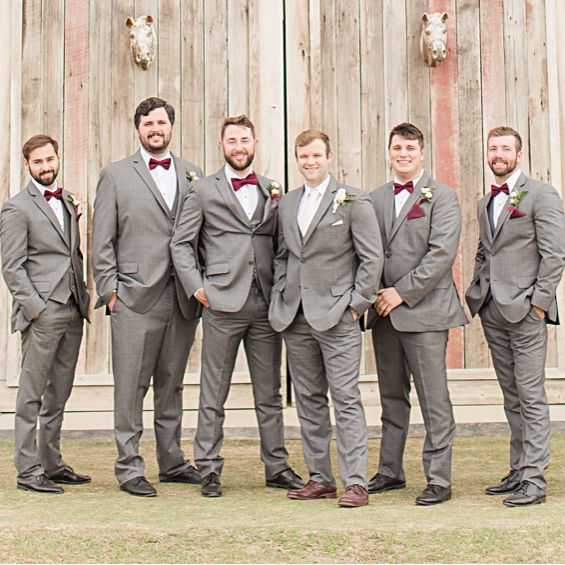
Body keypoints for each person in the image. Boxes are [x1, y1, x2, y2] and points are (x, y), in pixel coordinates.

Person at [169, 113, 302, 498]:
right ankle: (208, 468)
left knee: (270, 393)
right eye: (232, 141)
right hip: (222, 303)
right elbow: (181, 244)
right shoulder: (203, 190)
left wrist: (280, 289)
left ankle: (276, 466)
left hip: (265, 305)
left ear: (254, 144)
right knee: (214, 392)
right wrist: (197, 288)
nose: (238, 147)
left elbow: (282, 246)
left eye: (245, 140)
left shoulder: (273, 189)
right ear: (222, 146)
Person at [90, 95, 203, 496]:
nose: (155, 130)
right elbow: (101, 240)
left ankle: (172, 461)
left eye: (161, 123)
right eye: (148, 124)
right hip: (134, 299)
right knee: (131, 387)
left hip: (182, 299)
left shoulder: (194, 175)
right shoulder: (116, 175)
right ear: (137, 129)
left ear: (172, 127)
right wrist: (111, 291)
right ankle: (129, 467)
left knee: (171, 385)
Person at [270, 128, 382, 508]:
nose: (310, 162)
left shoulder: (353, 200)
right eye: (303, 156)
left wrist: (355, 305)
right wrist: (279, 296)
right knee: (308, 399)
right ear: (297, 160)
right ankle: (320, 477)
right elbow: (284, 256)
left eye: (316, 155)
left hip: (338, 316)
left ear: (329, 157)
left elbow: (372, 259)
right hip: (295, 315)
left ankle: (356, 482)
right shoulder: (287, 203)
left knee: (346, 398)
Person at [465, 124, 565, 507]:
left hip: (525, 311)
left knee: (530, 394)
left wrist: (538, 304)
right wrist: (478, 288)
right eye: (493, 148)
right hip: (492, 309)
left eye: (506, 149)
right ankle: (519, 468)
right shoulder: (485, 201)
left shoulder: (541, 195)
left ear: (519, 155)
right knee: (511, 396)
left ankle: (535, 481)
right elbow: (484, 251)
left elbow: (555, 254)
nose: (498, 155)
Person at [365, 121, 465, 505]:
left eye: (410, 148)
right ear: (389, 153)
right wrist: (375, 295)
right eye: (396, 148)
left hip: (425, 312)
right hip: (383, 313)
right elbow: (369, 252)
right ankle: (390, 470)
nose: (403, 154)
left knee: (433, 398)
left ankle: (438, 478)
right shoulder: (373, 199)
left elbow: (441, 254)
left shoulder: (442, 196)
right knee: (392, 397)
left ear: (421, 153)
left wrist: (400, 293)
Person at [0, 133, 91, 494]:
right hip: (43, 312)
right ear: (27, 165)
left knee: (60, 393)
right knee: (32, 393)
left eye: (50, 159)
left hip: (72, 308)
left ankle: (51, 463)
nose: (46, 167)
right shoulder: (16, 208)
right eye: (38, 162)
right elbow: (12, 267)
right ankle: (27, 469)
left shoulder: (68, 201)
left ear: (58, 158)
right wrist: (36, 310)